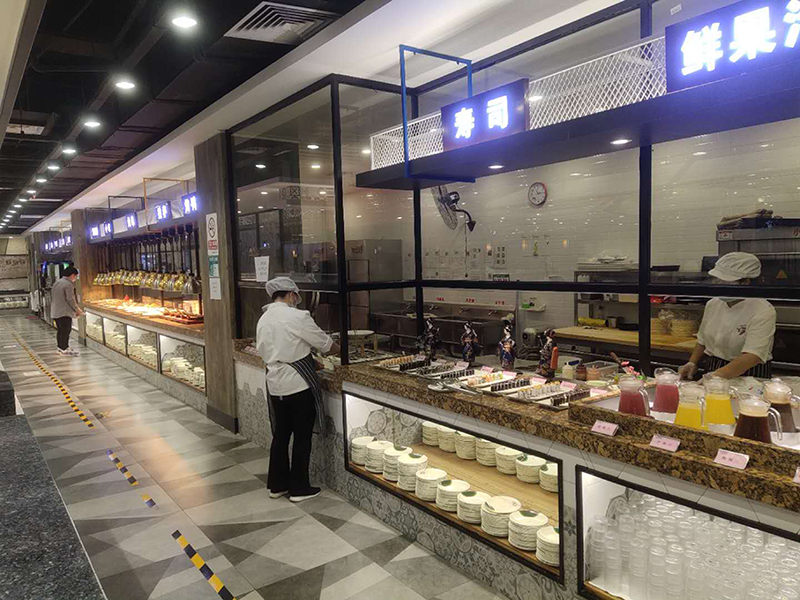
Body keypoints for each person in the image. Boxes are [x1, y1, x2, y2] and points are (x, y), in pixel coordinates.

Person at [256, 277, 340, 503]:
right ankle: (299, 488)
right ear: (291, 294)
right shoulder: (297, 316)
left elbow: (267, 350)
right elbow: (324, 344)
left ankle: (277, 485)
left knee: (281, 434)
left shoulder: (264, 319)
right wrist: (342, 350)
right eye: (296, 296)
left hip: (275, 383)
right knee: (302, 436)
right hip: (297, 384)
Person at [679, 253, 776, 380]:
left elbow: (753, 355)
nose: (718, 284)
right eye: (717, 279)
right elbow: (702, 341)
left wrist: (717, 376)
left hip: (748, 373)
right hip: (713, 366)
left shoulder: (763, 309)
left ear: (745, 282)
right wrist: (692, 362)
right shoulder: (713, 303)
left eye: (725, 281)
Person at [51, 266, 84, 356]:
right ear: (72, 275)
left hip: (56, 311)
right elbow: (70, 299)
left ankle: (61, 347)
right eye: (76, 276)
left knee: (61, 330)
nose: (76, 278)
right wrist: (77, 309)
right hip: (64, 312)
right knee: (66, 330)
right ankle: (64, 349)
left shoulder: (57, 282)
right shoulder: (68, 284)